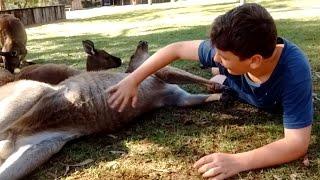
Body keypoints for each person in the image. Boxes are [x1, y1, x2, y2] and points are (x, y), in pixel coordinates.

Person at [107, 3, 313, 179]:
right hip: (238, 84)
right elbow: (175, 48)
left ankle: (222, 76)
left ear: (255, 60)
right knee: (217, 71)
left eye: (223, 56)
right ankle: (222, 76)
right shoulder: (226, 51)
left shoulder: (294, 72)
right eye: (216, 53)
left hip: (265, 97)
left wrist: (239, 161)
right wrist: (133, 80)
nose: (216, 56)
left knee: (218, 72)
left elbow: (296, 144)